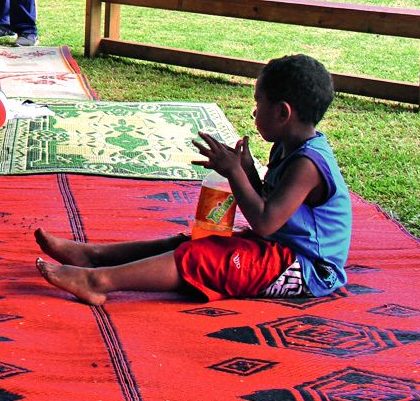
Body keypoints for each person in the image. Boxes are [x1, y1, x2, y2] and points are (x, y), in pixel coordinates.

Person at [35, 54, 351, 305]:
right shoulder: (288, 146)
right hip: (279, 250)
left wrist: (235, 172)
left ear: (283, 113)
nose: (254, 113)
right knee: (190, 242)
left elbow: (266, 222)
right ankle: (95, 257)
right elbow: (271, 202)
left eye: (258, 104)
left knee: (202, 257)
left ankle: (97, 282)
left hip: (307, 270)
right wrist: (249, 171)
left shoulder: (307, 164)